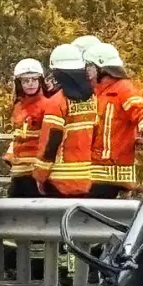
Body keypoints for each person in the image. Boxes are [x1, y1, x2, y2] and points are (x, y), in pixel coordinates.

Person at [84, 42, 143, 198]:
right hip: (95, 169)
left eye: (90, 65)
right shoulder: (97, 92)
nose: (87, 70)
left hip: (112, 171)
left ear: (101, 68)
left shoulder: (123, 88)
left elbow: (139, 108)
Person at [30, 43, 97, 198]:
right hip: (87, 179)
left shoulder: (57, 102)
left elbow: (50, 143)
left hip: (59, 182)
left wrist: (40, 175)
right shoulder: (93, 99)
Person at [4, 58, 66, 198]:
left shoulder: (48, 104)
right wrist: (9, 157)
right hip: (19, 171)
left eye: (34, 79)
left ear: (40, 81)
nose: (30, 83)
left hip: (36, 171)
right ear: (19, 84)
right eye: (26, 81)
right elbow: (17, 136)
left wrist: (43, 171)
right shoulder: (18, 106)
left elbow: (51, 139)